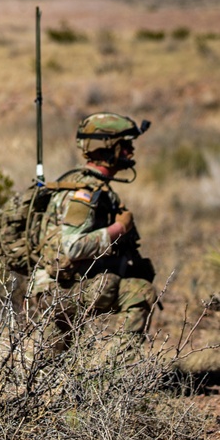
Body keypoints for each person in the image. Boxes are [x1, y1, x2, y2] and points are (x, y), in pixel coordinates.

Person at [28, 112, 157, 349]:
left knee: (53, 357)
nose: (130, 151)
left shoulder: (90, 186)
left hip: (57, 287)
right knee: (140, 292)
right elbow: (73, 246)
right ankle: (119, 376)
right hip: (63, 289)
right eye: (125, 145)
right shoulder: (84, 193)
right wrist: (120, 228)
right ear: (106, 148)